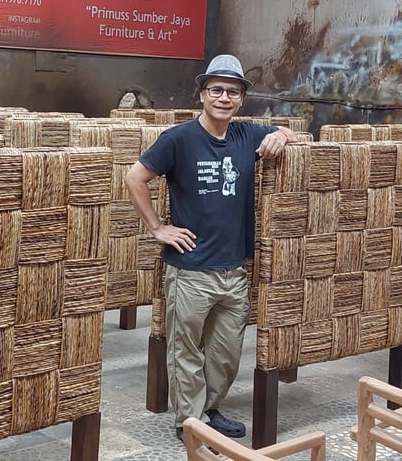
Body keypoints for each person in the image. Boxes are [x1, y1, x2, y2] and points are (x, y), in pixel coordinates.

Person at [124, 54, 293, 443]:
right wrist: (158, 227)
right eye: (216, 90)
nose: (223, 98)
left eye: (232, 92)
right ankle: (191, 423)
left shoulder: (246, 135)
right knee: (185, 351)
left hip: (233, 269)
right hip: (191, 270)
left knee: (224, 353)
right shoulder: (178, 139)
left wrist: (281, 135)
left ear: (240, 99)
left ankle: (210, 410)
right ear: (202, 94)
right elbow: (135, 177)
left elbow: (287, 131)